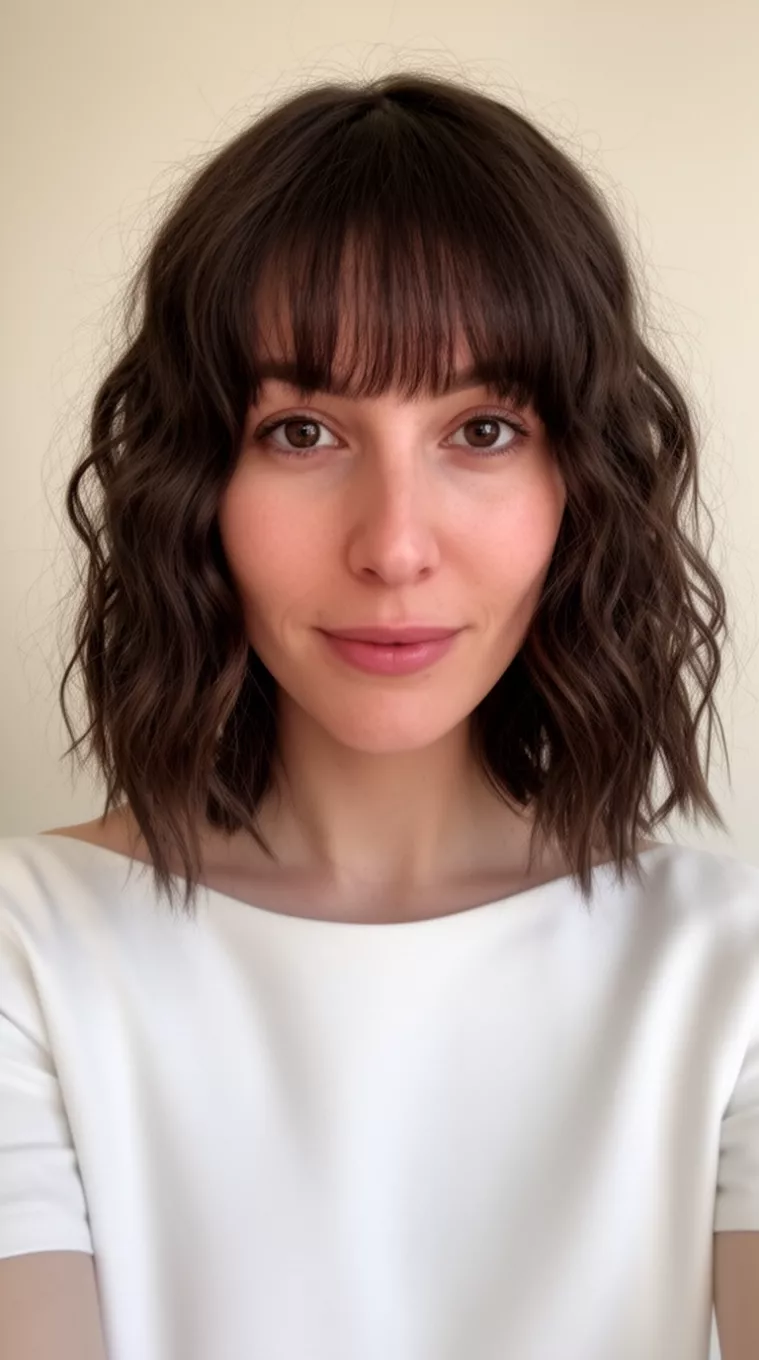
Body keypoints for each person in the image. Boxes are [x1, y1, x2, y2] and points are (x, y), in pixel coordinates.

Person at [0, 70, 756, 1360]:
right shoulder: (28, 954)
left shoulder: (727, 971)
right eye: (301, 430)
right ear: (194, 482)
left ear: (580, 480)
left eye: (482, 428)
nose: (395, 546)